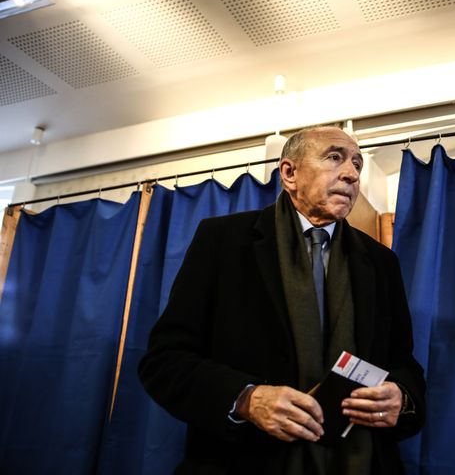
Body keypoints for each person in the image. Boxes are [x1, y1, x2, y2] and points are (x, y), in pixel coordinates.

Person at [138, 126, 426, 474]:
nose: (351, 174)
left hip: (361, 461)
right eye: (335, 157)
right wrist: (246, 399)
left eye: (357, 164)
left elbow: (404, 366)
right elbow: (164, 361)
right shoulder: (223, 241)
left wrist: (401, 397)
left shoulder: (381, 263)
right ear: (289, 173)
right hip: (245, 461)